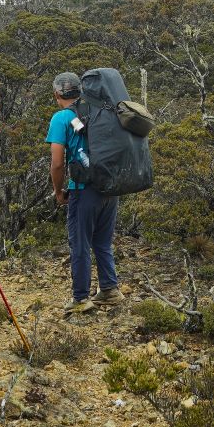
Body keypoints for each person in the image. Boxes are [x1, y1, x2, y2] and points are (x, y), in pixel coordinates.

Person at [46, 71, 124, 315]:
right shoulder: (100, 110)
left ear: (57, 94)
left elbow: (57, 163)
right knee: (102, 241)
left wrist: (59, 191)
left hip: (83, 189)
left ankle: (81, 298)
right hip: (110, 187)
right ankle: (110, 289)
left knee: (79, 243)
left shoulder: (61, 118)